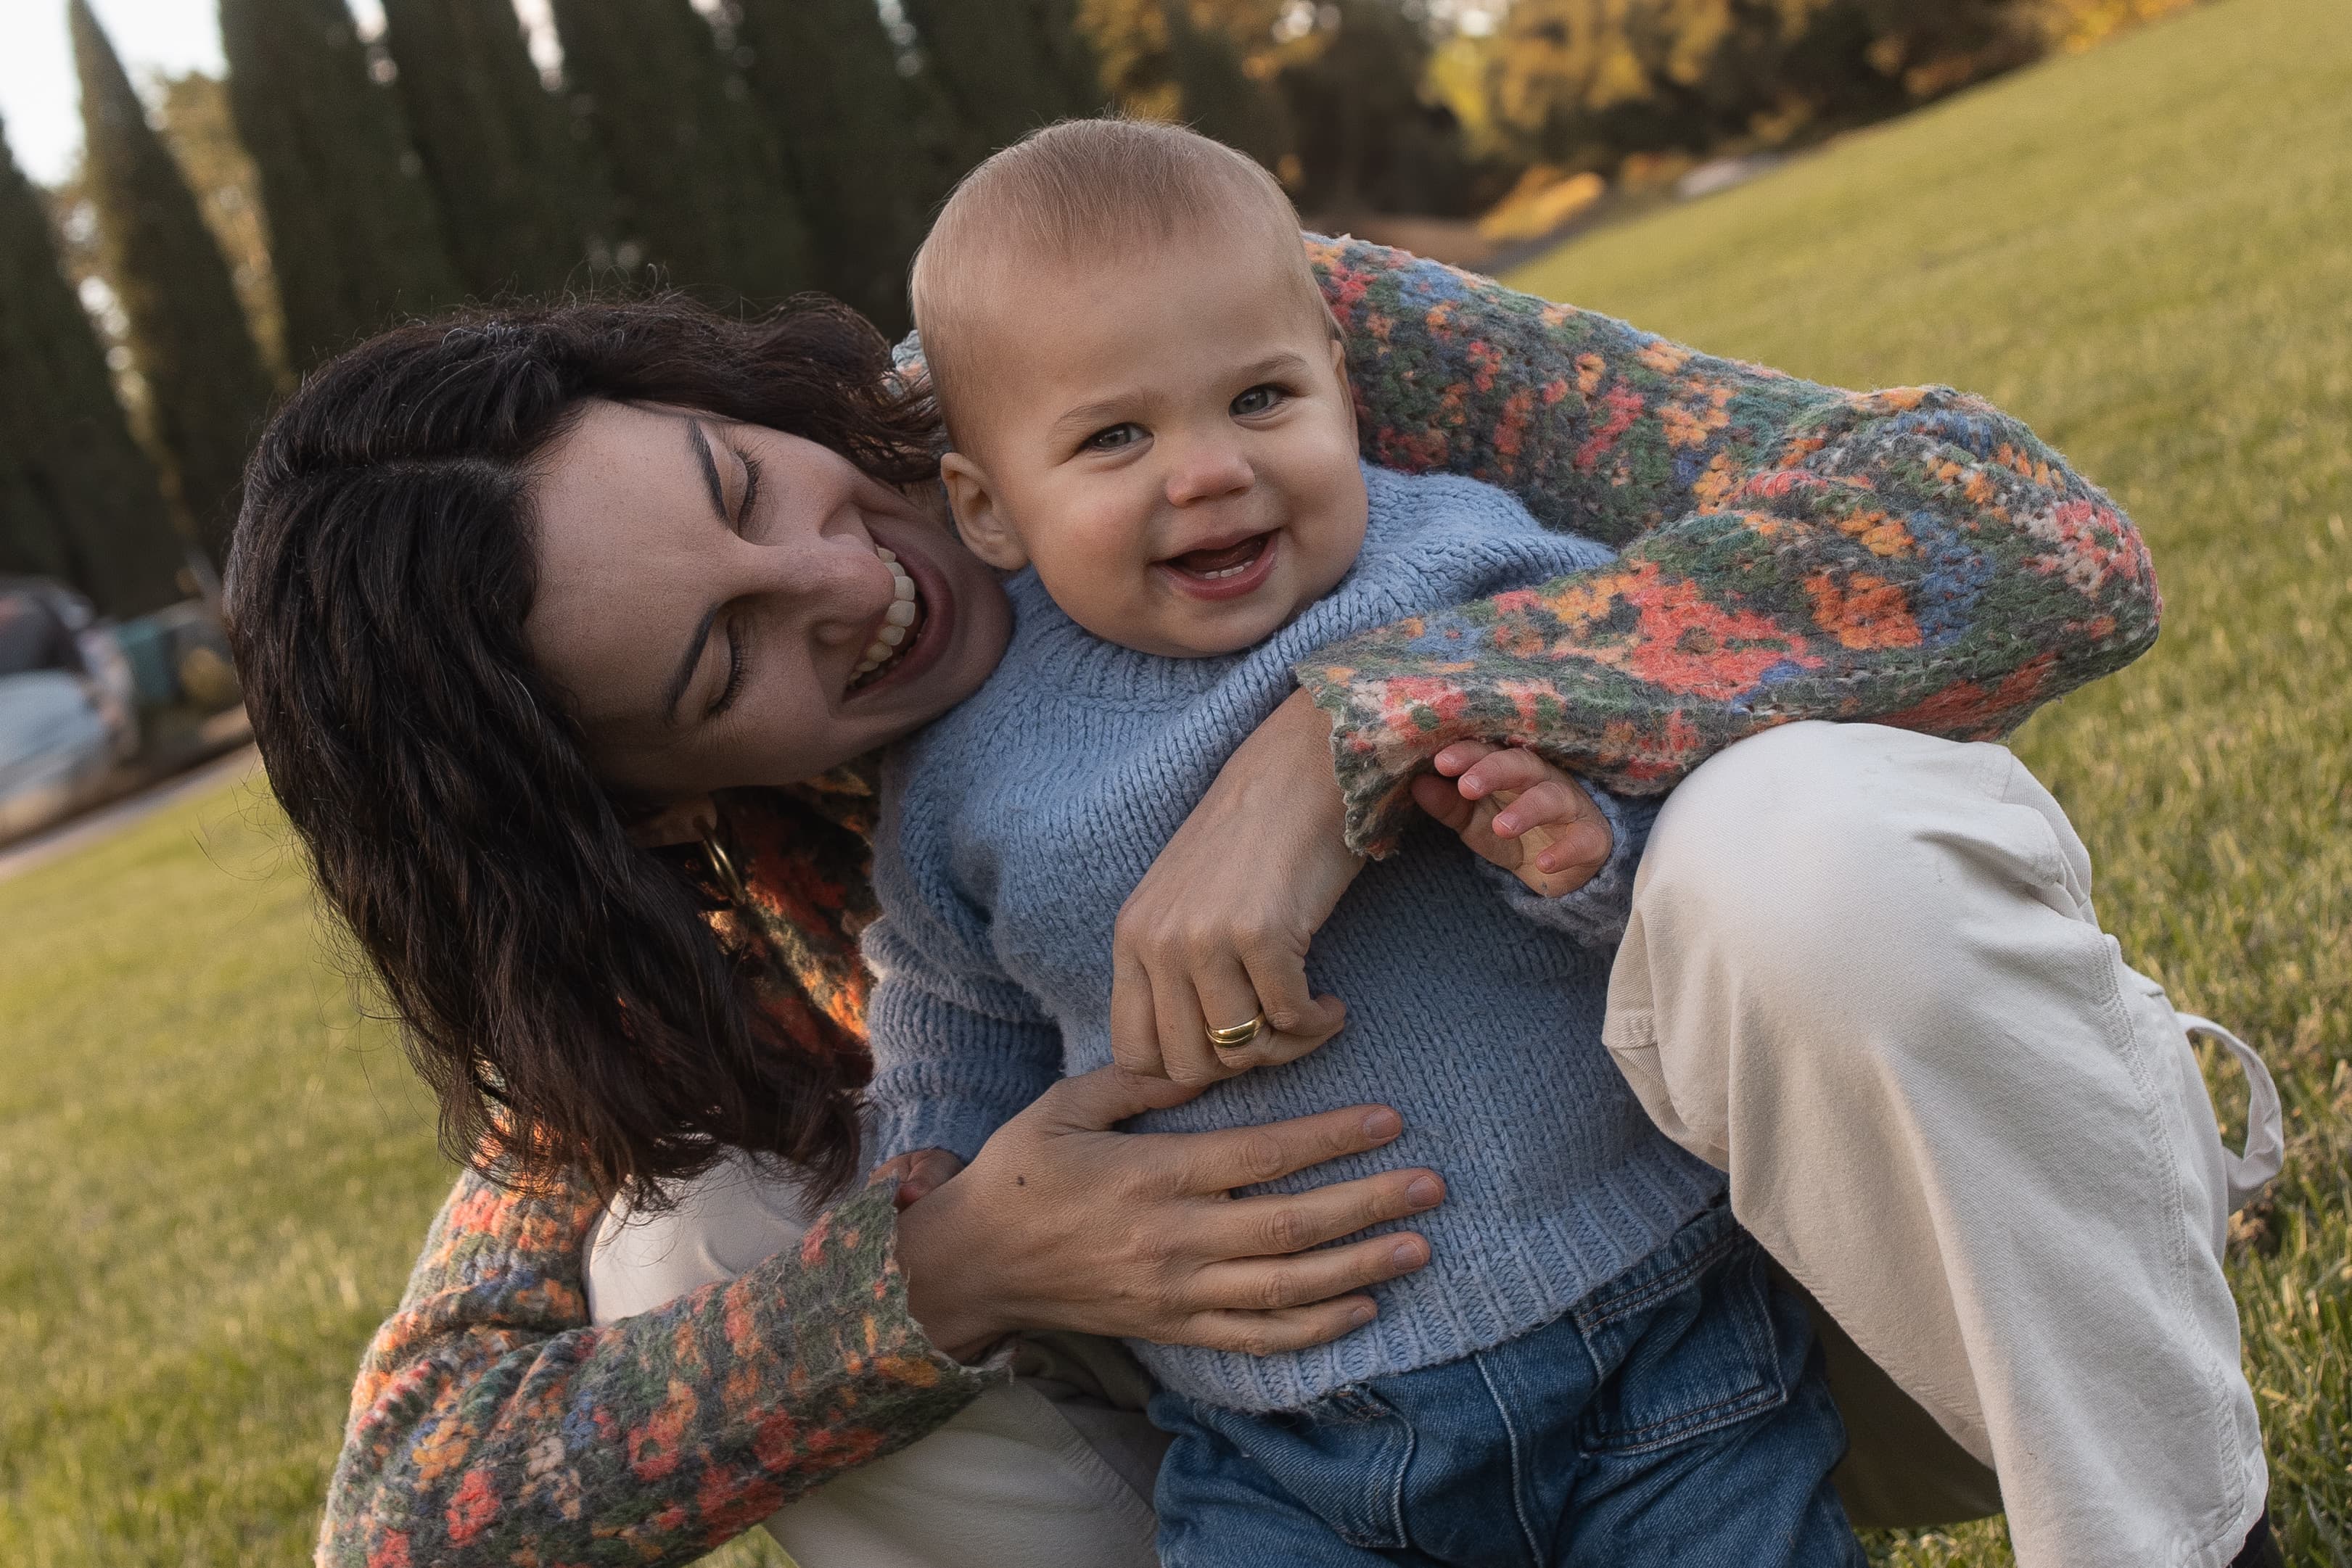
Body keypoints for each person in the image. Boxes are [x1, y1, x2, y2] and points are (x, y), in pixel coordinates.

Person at [223, 175, 2269, 1568]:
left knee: (1799, 851)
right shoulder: (719, 906)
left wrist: (1352, 730)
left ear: (693, 386)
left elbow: (2021, 536)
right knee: (696, 1247)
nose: (850, 579)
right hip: (1318, 1462)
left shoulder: (1168, 350)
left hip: (1849, 1294)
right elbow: (403, 1509)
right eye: (723, 658)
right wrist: (948, 1273)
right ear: (642, 807)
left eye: (746, 484)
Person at [860, 117, 1859, 1565]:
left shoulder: (1464, 570)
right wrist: (935, 1148)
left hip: (1649, 1345)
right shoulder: (966, 764)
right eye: (1115, 436)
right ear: (986, 508)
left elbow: (1700, 806)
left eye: (1258, 397)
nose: (1205, 470)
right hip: (1274, 1449)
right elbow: (949, 994)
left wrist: (1585, 848)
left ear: (1337, 378)